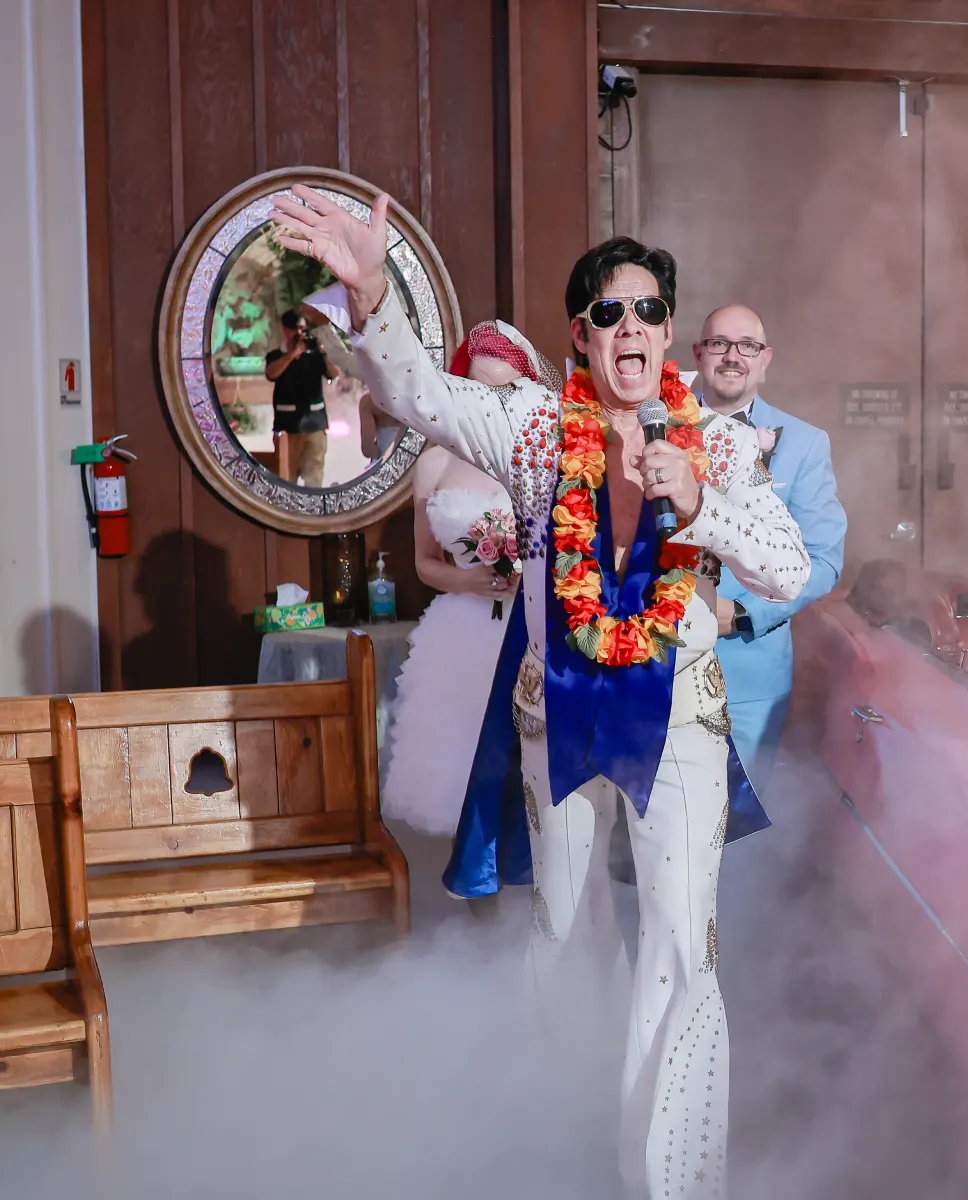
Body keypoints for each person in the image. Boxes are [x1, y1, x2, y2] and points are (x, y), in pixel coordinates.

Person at [272, 187, 809, 1200]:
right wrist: (372, 288)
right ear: (581, 333)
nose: (632, 328)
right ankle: (554, 1144)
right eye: (610, 312)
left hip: (678, 717)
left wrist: (698, 503)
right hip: (550, 711)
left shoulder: (723, 444)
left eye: (650, 311)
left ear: (668, 334)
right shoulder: (528, 429)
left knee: (679, 944)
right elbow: (419, 395)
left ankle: (673, 1183)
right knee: (562, 929)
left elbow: (786, 567)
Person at [379, 321, 563, 838]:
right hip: (458, 632)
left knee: (532, 765)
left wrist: (525, 573)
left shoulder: (545, 458)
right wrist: (472, 582)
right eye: (478, 389)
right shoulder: (435, 463)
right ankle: (477, 899)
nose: (490, 402)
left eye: (503, 390)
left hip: (529, 627)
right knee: (461, 765)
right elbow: (424, 563)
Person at [692, 306, 846, 794]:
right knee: (644, 837)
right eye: (718, 344)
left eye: (747, 346)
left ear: (765, 360)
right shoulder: (650, 426)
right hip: (649, 665)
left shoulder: (803, 444)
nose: (732, 356)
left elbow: (823, 560)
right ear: (698, 353)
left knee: (732, 839)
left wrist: (740, 612)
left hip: (748, 675)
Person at [264, 306, 338, 487]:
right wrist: (292, 354)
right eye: (295, 329)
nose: (300, 333)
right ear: (285, 329)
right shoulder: (277, 355)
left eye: (303, 329)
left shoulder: (315, 356)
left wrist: (323, 350)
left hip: (315, 425)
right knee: (286, 480)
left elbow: (333, 373)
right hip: (288, 427)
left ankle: (312, 513)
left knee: (313, 478)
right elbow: (271, 374)